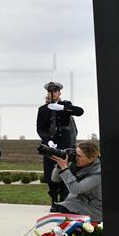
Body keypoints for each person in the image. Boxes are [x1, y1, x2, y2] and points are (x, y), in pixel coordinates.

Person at [37, 81, 84, 210]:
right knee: (50, 172)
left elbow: (80, 111)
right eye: (50, 91)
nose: (52, 94)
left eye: (55, 91)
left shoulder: (65, 105)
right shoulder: (42, 109)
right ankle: (53, 201)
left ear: (59, 93)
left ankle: (64, 202)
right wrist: (47, 140)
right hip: (49, 144)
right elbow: (40, 128)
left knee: (64, 169)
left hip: (64, 141)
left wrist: (63, 108)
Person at [49, 141, 102, 222]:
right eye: (75, 153)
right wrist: (60, 166)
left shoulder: (98, 173)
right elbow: (55, 179)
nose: (75, 157)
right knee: (65, 207)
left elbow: (75, 189)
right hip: (82, 201)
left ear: (90, 159)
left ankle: (80, 230)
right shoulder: (76, 164)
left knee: (65, 207)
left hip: (96, 209)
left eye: (79, 156)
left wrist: (64, 168)